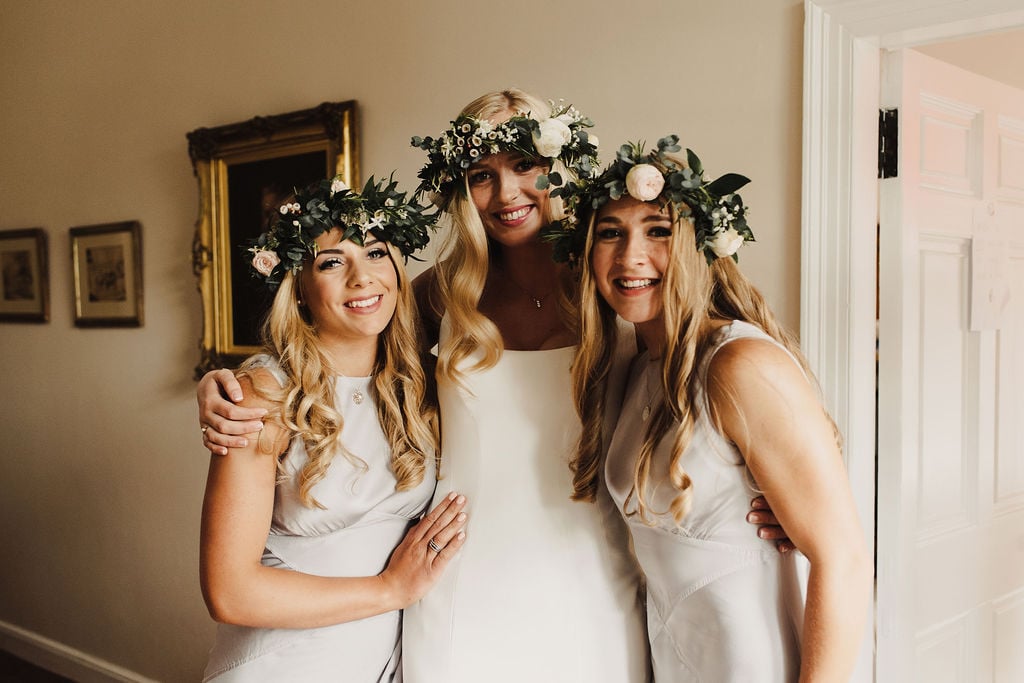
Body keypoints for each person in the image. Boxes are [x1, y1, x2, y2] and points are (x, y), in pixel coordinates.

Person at [196, 90, 793, 681]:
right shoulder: (438, 294)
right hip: (456, 577)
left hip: (595, 576)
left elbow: (728, 362)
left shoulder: (619, 279)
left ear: (559, 166)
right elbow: (340, 348)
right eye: (482, 174)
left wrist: (778, 490)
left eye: (526, 165)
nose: (507, 193)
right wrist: (234, 384)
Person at [552, 135, 872, 681]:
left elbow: (842, 559)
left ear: (702, 246)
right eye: (611, 234)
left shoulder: (738, 364)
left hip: (756, 659)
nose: (631, 257)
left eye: (658, 232)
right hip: (675, 653)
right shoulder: (636, 365)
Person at [199, 174, 468, 682]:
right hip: (284, 666)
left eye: (375, 253)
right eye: (331, 263)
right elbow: (228, 592)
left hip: (384, 660)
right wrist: (391, 589)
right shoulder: (263, 395)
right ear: (298, 288)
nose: (362, 277)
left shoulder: (418, 386)